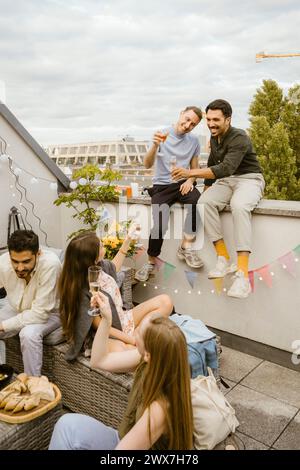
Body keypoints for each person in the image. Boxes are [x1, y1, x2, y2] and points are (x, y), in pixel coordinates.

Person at [49, 291, 193, 450]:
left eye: (138, 333)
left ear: (148, 354)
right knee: (66, 424)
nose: (134, 332)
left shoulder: (159, 410)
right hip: (123, 437)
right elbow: (99, 360)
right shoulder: (152, 361)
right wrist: (107, 319)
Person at [172, 99, 265, 299]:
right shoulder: (215, 138)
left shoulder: (239, 137)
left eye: (216, 119)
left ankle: (242, 275)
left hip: (249, 179)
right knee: (203, 203)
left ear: (228, 119)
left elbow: (225, 168)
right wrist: (206, 192)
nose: (211, 123)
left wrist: (190, 172)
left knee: (239, 206)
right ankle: (223, 257)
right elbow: (214, 163)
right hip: (227, 182)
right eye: (209, 119)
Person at [59, 231, 173, 361]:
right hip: (103, 332)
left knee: (166, 301)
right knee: (132, 352)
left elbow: (114, 266)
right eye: (101, 246)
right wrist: (131, 340)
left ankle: (140, 335)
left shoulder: (100, 266)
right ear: (92, 257)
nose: (104, 247)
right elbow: (99, 324)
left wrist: (128, 239)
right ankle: (139, 336)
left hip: (121, 319)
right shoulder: (81, 288)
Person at [135, 106, 204, 283]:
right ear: (181, 113)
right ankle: (150, 261)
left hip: (182, 182)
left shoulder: (194, 141)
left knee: (197, 201)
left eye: (193, 124)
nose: (188, 125)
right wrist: (155, 146)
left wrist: (190, 180)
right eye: (187, 119)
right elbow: (146, 165)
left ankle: (186, 247)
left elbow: (195, 169)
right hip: (161, 186)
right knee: (160, 225)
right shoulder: (162, 134)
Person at [0, 230, 61, 375]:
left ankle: (33, 385)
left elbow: (40, 314)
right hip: (17, 308)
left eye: (26, 261)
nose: (20, 268)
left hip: (51, 313)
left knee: (28, 335)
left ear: (38, 254)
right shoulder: (3, 262)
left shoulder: (50, 265)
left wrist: (2, 326)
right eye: (15, 261)